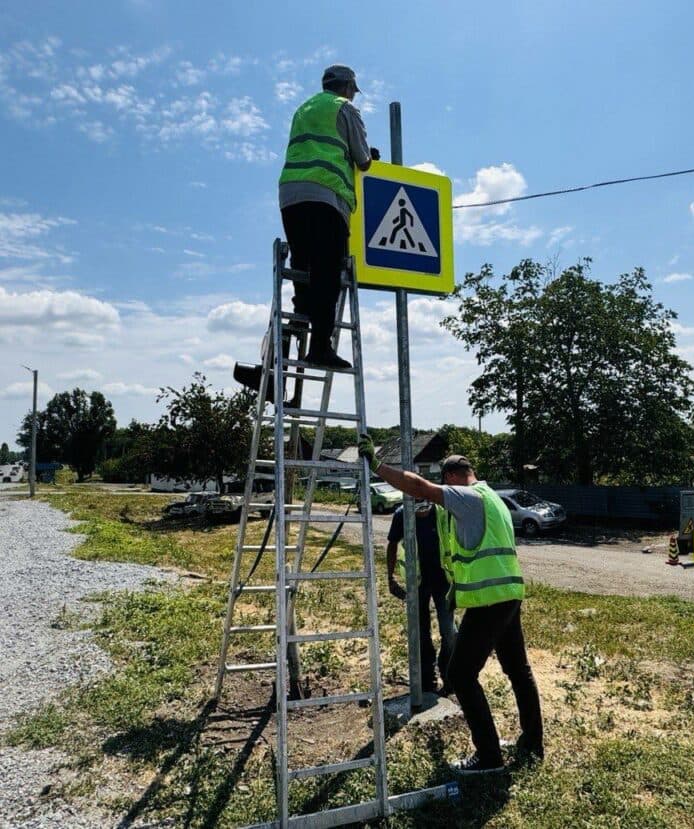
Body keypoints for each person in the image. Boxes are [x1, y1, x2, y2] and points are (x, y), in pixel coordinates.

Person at [357, 437, 544, 774]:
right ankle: (532, 742)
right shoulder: (494, 498)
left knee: (460, 674)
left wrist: (377, 466)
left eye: (444, 484)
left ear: (453, 478)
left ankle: (488, 756)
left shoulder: (467, 496)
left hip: (489, 601)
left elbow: (418, 486)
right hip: (509, 596)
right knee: (519, 670)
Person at [234, 64, 379, 395]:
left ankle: (281, 353)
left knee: (302, 270)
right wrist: (369, 156)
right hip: (326, 195)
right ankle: (320, 347)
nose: (353, 94)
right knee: (328, 272)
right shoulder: (345, 109)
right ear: (347, 87)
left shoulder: (304, 108)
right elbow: (362, 159)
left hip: (291, 195)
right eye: (354, 89)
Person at [386, 499, 456, 696]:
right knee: (421, 633)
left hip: (443, 581)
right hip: (416, 583)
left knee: (449, 632)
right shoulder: (402, 514)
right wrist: (390, 578)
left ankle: (449, 676)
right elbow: (392, 544)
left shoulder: (443, 512)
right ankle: (426, 679)